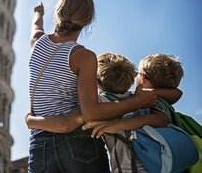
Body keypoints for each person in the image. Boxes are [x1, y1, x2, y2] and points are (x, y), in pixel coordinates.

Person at [27, 0, 156, 173]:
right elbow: (91, 112)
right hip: (77, 143)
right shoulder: (83, 56)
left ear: (59, 12)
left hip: (39, 148)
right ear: (87, 22)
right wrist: (138, 102)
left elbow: (36, 26)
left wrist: (38, 12)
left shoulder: (37, 42)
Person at [27, 52, 183, 172]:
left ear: (95, 82)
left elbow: (66, 124)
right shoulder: (143, 99)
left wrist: (31, 120)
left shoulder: (98, 106)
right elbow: (176, 94)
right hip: (159, 163)